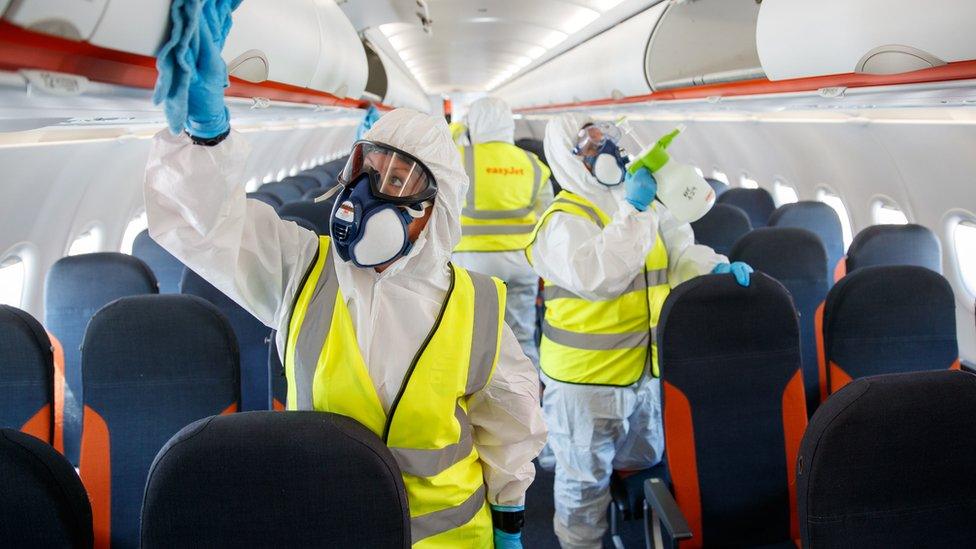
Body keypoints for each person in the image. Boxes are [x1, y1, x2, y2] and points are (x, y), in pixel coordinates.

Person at [145, 4, 546, 547]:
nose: (366, 194)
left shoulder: (476, 306)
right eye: (367, 169)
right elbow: (209, 227)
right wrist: (205, 136)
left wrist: (510, 523)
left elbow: (510, 430)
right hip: (332, 529)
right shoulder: (301, 271)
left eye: (398, 179)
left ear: (434, 209)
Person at [527, 113, 752, 548]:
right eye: (590, 147)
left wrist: (715, 269)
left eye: (605, 139)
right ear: (568, 159)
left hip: (643, 373)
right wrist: (634, 210)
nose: (606, 151)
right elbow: (601, 274)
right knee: (583, 488)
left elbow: (680, 254)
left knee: (643, 459)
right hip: (585, 384)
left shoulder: (641, 204)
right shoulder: (562, 220)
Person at [452, 97, 553, 366]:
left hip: (473, 264)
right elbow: (547, 216)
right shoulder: (532, 164)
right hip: (523, 262)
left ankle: (476, 400)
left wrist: (459, 129)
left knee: (473, 336)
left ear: (474, 124)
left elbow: (434, 154)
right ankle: (527, 401)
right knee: (521, 337)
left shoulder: (460, 157)